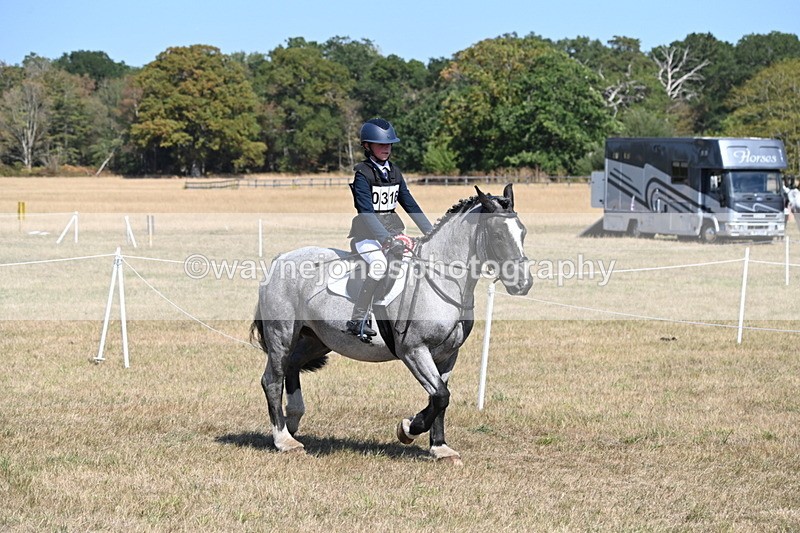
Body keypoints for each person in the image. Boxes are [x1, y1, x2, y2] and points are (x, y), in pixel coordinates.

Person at [346, 118, 433, 341]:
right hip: (367, 237)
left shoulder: (394, 172)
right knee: (379, 266)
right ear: (367, 146)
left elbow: (410, 204)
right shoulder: (362, 175)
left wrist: (431, 232)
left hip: (393, 233)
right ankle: (357, 319)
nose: (386, 148)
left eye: (389, 144)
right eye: (380, 144)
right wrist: (385, 239)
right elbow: (366, 213)